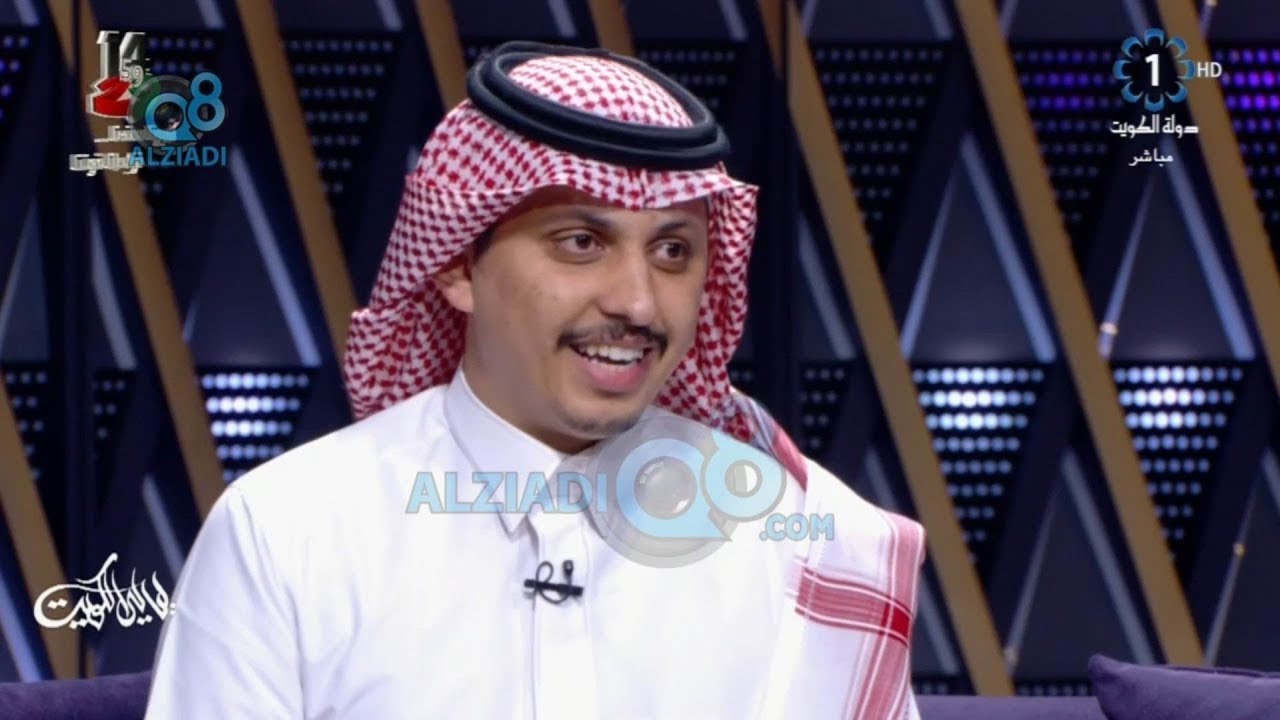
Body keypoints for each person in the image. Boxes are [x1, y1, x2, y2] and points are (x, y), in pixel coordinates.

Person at [145, 42, 925, 719]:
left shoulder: (794, 534)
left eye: (673, 252)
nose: (637, 303)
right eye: (581, 242)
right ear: (459, 265)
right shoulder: (288, 530)